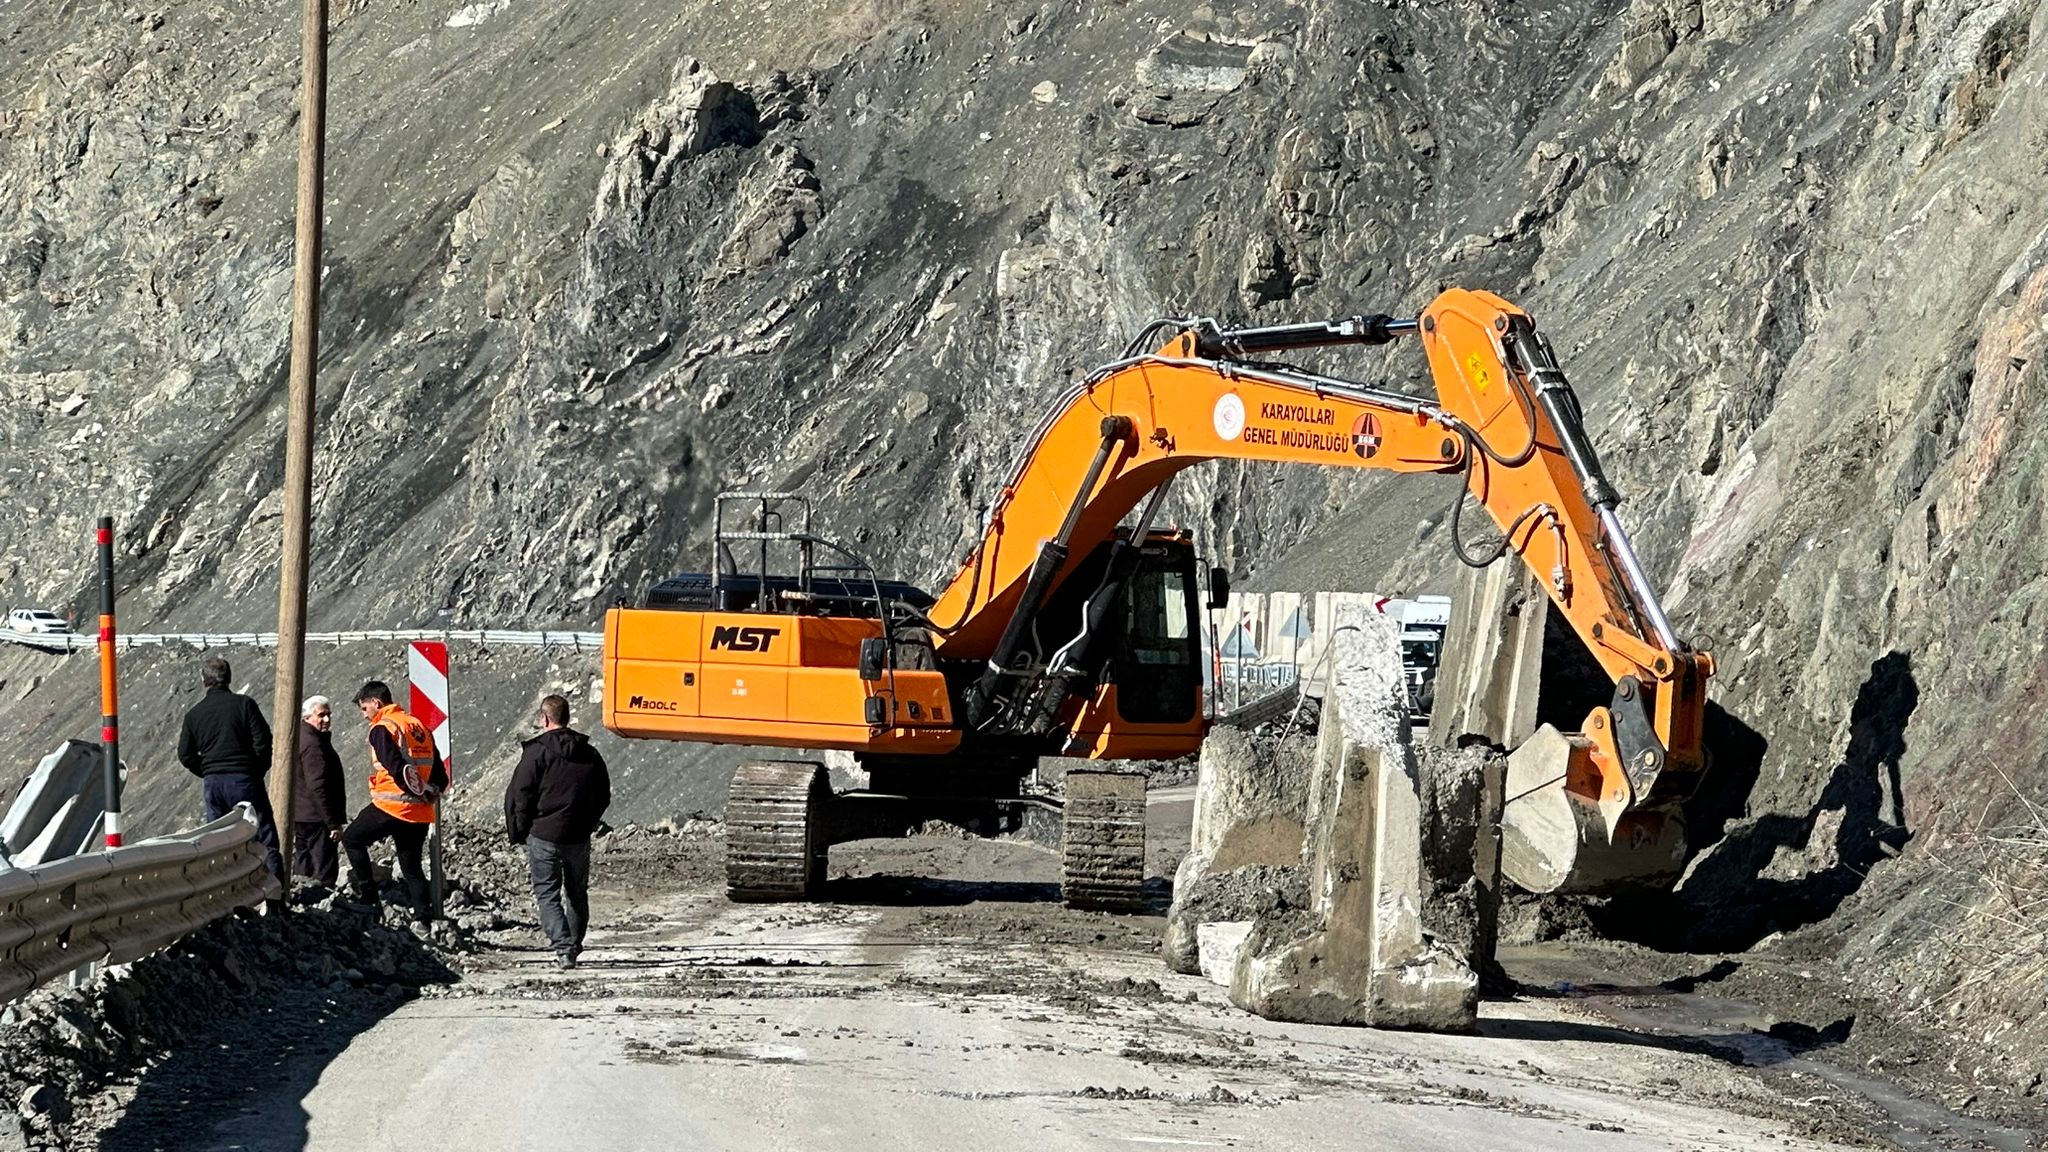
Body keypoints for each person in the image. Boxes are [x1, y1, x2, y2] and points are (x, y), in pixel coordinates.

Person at [505, 694, 611, 969]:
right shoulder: (589, 752)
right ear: (567, 717)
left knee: (547, 893)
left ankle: (563, 949)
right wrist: (588, 822)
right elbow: (603, 794)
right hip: (578, 835)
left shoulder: (536, 752)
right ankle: (573, 946)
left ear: (544, 718)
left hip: (543, 834)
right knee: (577, 892)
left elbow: (520, 794)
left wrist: (520, 829)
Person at [340, 680, 446, 921]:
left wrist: (411, 788)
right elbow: (439, 772)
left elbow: (395, 765)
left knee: (352, 839)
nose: (363, 715)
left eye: (364, 708)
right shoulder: (418, 726)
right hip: (420, 809)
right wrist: (431, 790)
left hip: (391, 805)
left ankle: (369, 899)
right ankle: (424, 919)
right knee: (412, 867)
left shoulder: (382, 728)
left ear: (376, 703)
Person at [176, 655, 283, 880]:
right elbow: (263, 741)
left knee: (218, 842)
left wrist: (207, 770)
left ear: (204, 681)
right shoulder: (244, 705)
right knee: (263, 836)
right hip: (244, 779)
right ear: (229, 678)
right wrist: (255, 770)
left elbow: (185, 754)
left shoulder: (194, 715)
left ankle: (226, 898)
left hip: (213, 784)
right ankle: (274, 898)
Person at [291, 695, 348, 886]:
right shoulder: (312, 744)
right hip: (316, 817)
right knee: (323, 868)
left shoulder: (304, 737)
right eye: (321, 715)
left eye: (329, 715)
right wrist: (332, 822)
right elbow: (317, 785)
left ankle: (304, 902)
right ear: (307, 717)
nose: (327, 720)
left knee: (304, 864)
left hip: (302, 814)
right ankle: (321, 904)